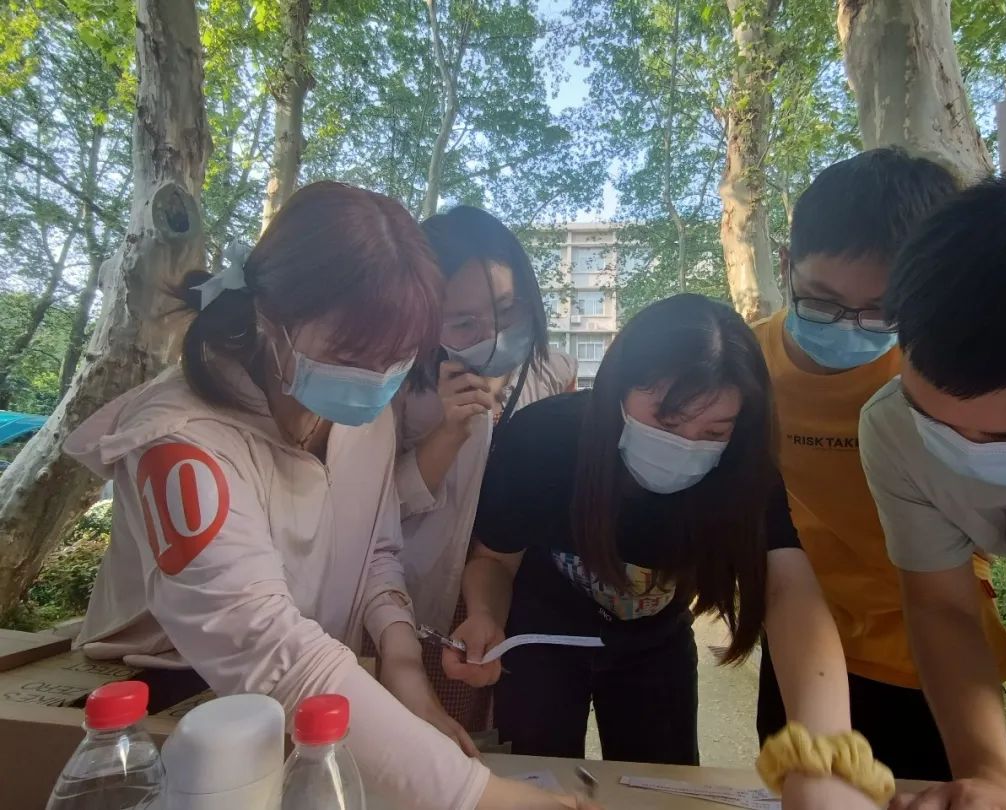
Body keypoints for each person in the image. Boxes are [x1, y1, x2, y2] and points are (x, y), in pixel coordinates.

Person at [64, 182, 593, 810]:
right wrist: (483, 797)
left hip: (299, 695)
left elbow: (376, 549)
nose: (377, 379)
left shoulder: (356, 409)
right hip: (170, 697)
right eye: (353, 352)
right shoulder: (179, 442)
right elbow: (265, 645)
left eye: (400, 357)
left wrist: (403, 665)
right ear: (269, 317)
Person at [445, 293, 888, 809]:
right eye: (667, 420)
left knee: (665, 785)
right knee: (535, 778)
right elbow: (494, 559)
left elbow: (789, 589)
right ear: (619, 388)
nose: (686, 445)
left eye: (714, 431)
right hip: (543, 637)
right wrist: (484, 615)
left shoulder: (741, 468)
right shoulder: (544, 439)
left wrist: (825, 752)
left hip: (655, 642)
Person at [753, 147, 1006, 781]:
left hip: (932, 650)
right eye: (821, 302)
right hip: (801, 640)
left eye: (882, 312)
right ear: (786, 266)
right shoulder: (745, 365)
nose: (850, 328)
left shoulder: (940, 377)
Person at [860, 167, 1006, 810]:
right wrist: (989, 774)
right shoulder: (894, 429)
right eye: (938, 422)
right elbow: (942, 606)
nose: (969, 452)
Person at [394, 206, 576, 731]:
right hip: (424, 595)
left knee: (502, 731)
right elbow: (383, 508)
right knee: (419, 731)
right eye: (464, 322)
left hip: (517, 594)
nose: (493, 333)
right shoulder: (400, 385)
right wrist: (451, 431)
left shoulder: (554, 372)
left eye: (506, 309)